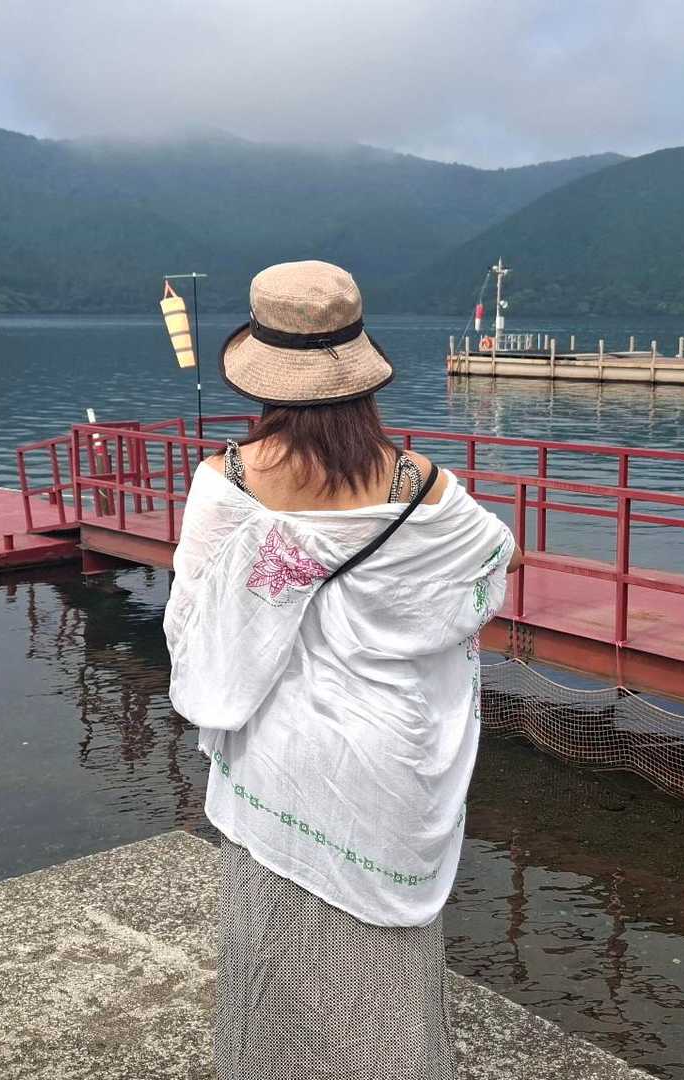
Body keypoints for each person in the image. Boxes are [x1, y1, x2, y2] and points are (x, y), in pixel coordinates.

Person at [164, 260, 521, 1079]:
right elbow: (491, 567)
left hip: (281, 747)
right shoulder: (422, 485)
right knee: (386, 963)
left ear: (263, 375)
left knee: (274, 944)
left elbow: (194, 625)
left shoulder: (227, 480)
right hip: (391, 749)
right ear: (359, 371)